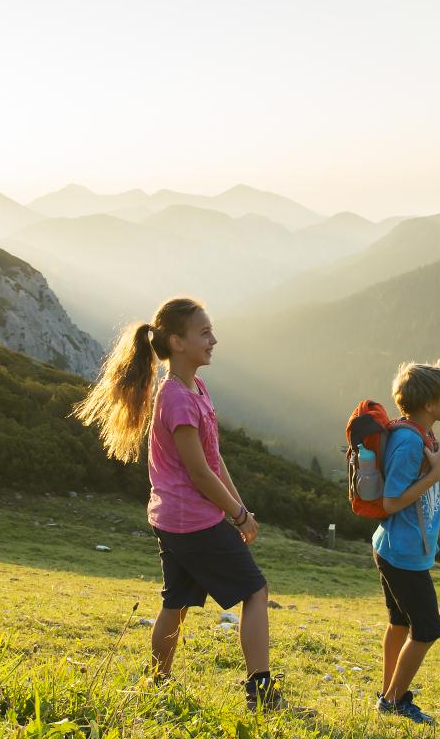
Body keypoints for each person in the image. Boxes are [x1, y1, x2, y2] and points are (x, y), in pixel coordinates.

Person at [73, 297, 283, 711]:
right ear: (177, 341)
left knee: (176, 602)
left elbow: (215, 457)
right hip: (193, 521)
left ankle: (158, 681)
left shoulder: (194, 387)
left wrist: (241, 508)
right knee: (255, 592)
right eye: (204, 333)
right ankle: (260, 692)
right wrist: (237, 515)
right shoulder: (177, 398)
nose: (213, 340)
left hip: (175, 519)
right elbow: (200, 472)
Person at [373, 362, 440, 725]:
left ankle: (387, 691)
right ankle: (394, 701)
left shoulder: (418, 435)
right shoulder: (409, 442)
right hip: (402, 553)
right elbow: (391, 502)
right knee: (428, 629)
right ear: (427, 404)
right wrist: (437, 473)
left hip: (396, 548)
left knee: (400, 623)